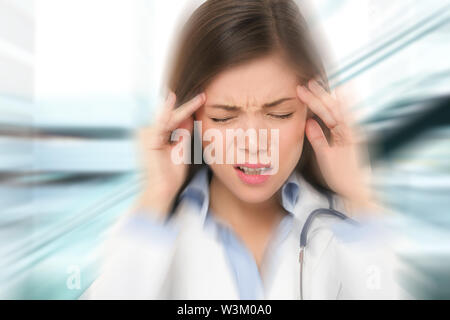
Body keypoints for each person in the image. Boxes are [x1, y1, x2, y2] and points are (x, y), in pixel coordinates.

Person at [81, 0, 408, 299]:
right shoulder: (153, 232)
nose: (253, 143)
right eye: (223, 117)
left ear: (314, 112)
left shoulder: (343, 228)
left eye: (279, 114)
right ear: (188, 119)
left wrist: (359, 197)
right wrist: (156, 196)